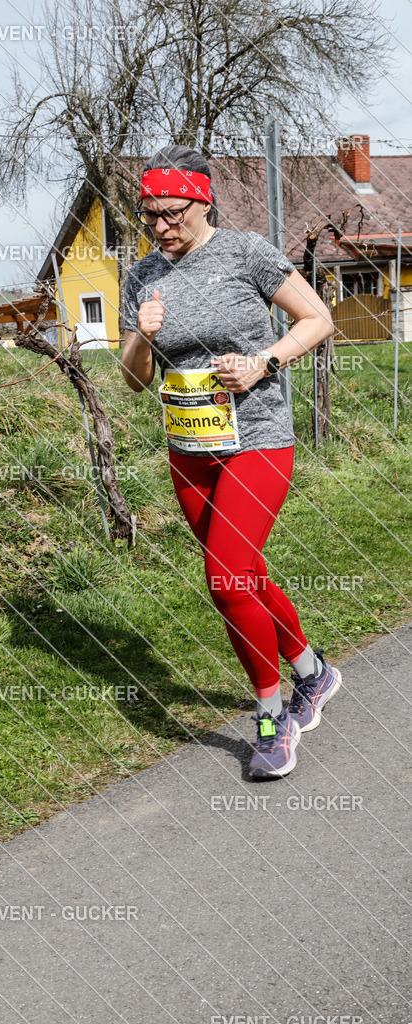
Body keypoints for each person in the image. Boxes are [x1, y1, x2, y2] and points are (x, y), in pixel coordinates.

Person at [120, 145, 342, 779]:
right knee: (244, 574)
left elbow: (317, 319)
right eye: (149, 214)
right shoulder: (142, 276)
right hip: (190, 448)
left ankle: (271, 720)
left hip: (258, 438)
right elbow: (134, 379)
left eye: (171, 213)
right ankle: (313, 673)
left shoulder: (246, 253)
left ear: (202, 202)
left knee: (225, 580)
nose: (160, 225)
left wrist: (262, 363)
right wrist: (142, 336)